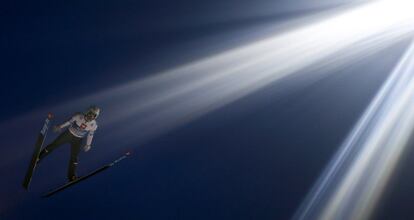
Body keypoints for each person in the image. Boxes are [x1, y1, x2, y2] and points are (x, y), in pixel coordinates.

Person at [39, 106, 100, 181]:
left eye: (93, 115)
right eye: (90, 114)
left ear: (95, 117)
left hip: (78, 140)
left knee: (74, 158)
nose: (90, 116)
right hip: (68, 134)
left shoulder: (93, 125)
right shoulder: (79, 116)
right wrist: (60, 126)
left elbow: (91, 134)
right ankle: (38, 158)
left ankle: (72, 176)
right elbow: (69, 122)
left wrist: (88, 144)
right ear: (87, 112)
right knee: (54, 145)